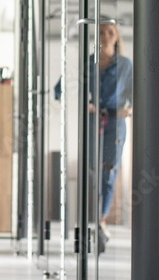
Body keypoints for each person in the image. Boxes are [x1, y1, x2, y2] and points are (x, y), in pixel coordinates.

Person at [54, 20, 133, 250]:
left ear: (117, 37)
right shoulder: (87, 63)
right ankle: (92, 218)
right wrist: (82, 102)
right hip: (91, 121)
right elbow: (61, 89)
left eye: (111, 32)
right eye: (102, 32)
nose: (106, 36)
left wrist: (127, 110)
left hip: (115, 124)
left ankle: (100, 220)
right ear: (96, 37)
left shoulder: (125, 66)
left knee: (108, 172)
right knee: (92, 170)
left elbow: (137, 94)